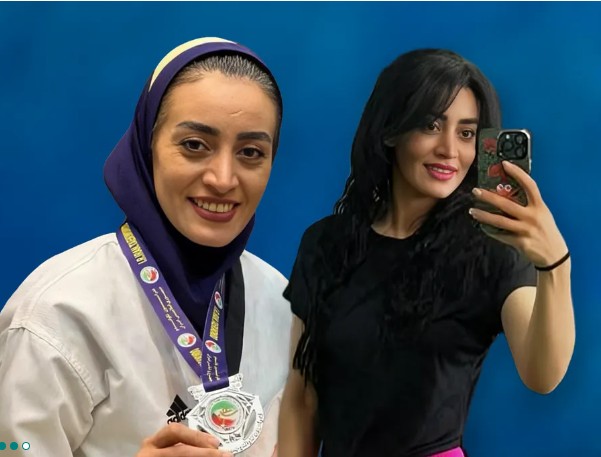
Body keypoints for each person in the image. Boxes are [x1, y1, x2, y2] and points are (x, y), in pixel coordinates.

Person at [0, 37, 291, 457]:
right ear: (146, 145)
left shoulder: (281, 304)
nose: (223, 179)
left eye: (250, 152)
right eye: (195, 145)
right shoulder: (58, 314)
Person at [278, 49, 575, 457]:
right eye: (431, 125)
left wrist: (554, 265)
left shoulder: (492, 249)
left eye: (466, 133)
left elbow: (543, 376)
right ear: (391, 131)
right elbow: (302, 399)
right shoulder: (326, 244)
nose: (449, 149)